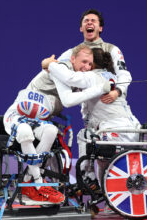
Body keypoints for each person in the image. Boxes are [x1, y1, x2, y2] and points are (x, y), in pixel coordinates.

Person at [4, 45, 112, 204]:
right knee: (26, 131)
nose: (87, 67)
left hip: (39, 120)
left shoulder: (76, 77)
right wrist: (99, 88)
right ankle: (39, 185)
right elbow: (68, 100)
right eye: (84, 62)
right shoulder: (61, 70)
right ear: (73, 59)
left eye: (90, 64)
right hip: (17, 115)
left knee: (51, 131)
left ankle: (28, 183)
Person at [43, 48, 141, 186]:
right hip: (133, 131)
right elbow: (126, 76)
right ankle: (91, 179)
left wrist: (50, 65)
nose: (86, 66)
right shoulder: (114, 78)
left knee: (84, 136)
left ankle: (87, 175)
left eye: (88, 63)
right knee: (90, 137)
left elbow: (70, 78)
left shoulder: (90, 77)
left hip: (114, 132)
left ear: (93, 64)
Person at [58, 9, 132, 104]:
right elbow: (57, 68)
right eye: (86, 21)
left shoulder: (112, 49)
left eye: (93, 20)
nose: (89, 23)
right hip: (89, 107)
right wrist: (49, 65)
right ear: (81, 28)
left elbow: (124, 75)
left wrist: (117, 91)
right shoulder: (73, 52)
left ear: (100, 28)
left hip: (111, 102)